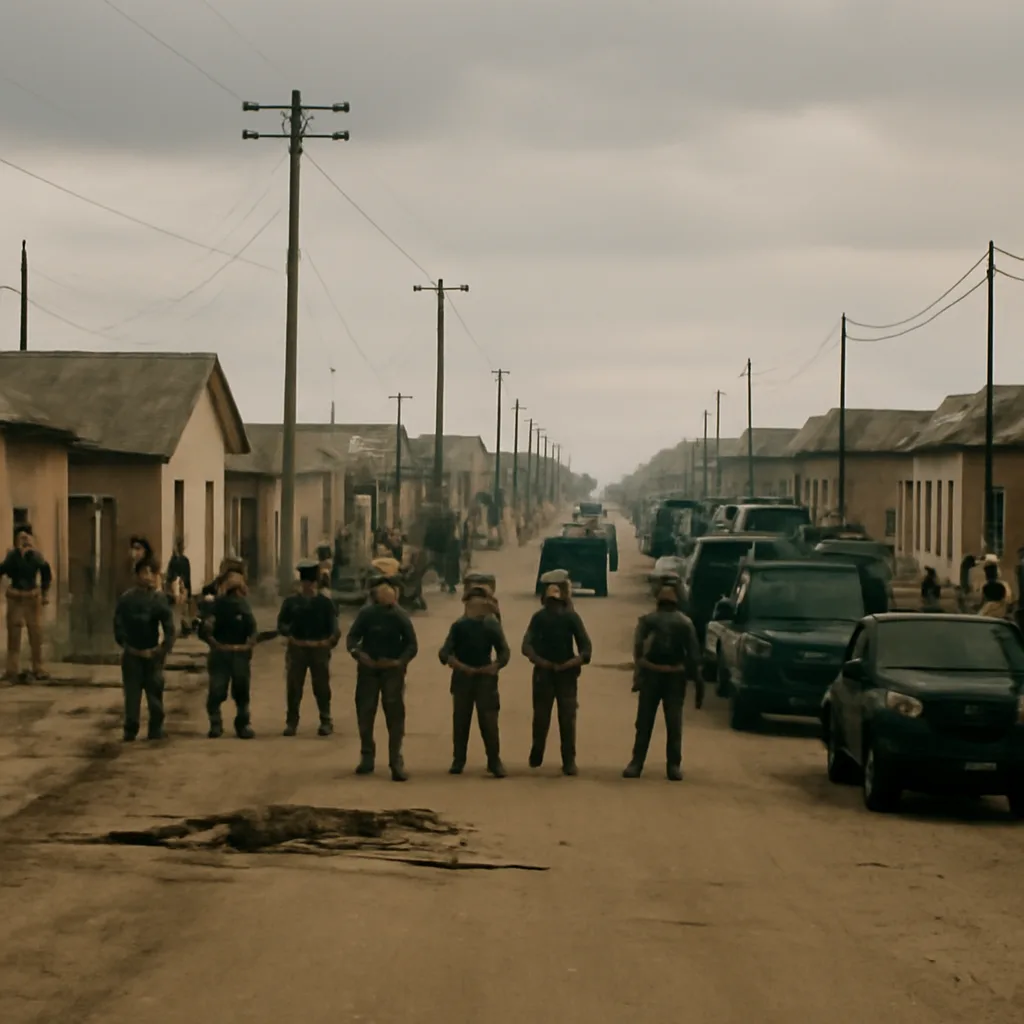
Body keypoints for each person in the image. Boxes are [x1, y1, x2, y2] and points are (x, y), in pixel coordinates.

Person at [622, 572, 703, 781]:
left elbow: (638, 652)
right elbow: (694, 656)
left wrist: (639, 675)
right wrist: (698, 683)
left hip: (653, 676)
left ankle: (637, 762)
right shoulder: (685, 623)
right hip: (674, 677)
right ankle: (673, 765)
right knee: (673, 723)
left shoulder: (649, 621)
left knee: (644, 722)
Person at [346, 573, 419, 781]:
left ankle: (395, 760)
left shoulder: (400, 616)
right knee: (365, 713)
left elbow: (412, 645)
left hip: (392, 672)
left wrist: (398, 662)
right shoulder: (366, 614)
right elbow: (352, 638)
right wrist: (359, 655)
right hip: (368, 670)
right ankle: (367, 756)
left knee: (394, 716)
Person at [522, 568, 592, 775]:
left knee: (566, 719)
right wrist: (542, 662)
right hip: (546, 673)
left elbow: (586, 649)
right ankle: (538, 750)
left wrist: (569, 664)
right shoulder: (539, 618)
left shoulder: (571, 619)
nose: (553, 607)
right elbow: (526, 646)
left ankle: (568, 759)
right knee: (542, 717)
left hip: (564, 675)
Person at [439, 577, 510, 777]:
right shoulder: (459, 626)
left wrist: (494, 667)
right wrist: (460, 666)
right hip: (463, 679)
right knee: (461, 721)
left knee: (488, 721)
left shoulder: (492, 626)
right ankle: (459, 759)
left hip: (485, 680)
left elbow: (504, 653)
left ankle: (494, 760)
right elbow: (444, 653)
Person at [114, 556, 175, 741]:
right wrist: (125, 645)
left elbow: (169, 628)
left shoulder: (159, 600)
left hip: (153, 654)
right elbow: (118, 625)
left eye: (151, 572)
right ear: (136, 575)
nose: (147, 576)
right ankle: (130, 728)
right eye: (143, 572)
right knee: (132, 695)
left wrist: (161, 650)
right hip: (132, 654)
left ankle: (156, 728)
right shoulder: (126, 600)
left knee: (155, 693)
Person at [277, 560, 340, 736]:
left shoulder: (325, 603)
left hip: (319, 649)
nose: (308, 586)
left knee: (321, 686)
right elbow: (281, 623)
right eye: (306, 583)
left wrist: (329, 642)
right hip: (297, 648)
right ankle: (291, 722)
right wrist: (289, 633)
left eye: (311, 583)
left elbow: (334, 628)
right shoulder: (291, 603)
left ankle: (326, 720)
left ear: (316, 584)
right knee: (294, 686)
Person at [199, 566, 257, 739]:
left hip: (239, 655)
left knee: (241, 691)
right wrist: (214, 643)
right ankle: (215, 723)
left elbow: (252, 629)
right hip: (220, 655)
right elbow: (205, 630)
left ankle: (243, 724)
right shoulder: (216, 606)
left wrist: (249, 644)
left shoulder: (244, 607)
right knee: (217, 690)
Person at [1, 524, 52, 682]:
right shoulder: (12, 557)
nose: (24, 541)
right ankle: (12, 669)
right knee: (14, 634)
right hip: (16, 597)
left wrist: (44, 593)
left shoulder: (36, 556)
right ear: (16, 541)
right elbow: (1, 570)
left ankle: (38, 668)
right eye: (21, 538)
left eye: (26, 538)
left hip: (31, 598)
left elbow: (46, 573)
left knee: (35, 633)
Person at [165, 539, 193, 637]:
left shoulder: (174, 560)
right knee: (182, 608)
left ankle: (181, 627)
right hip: (182, 586)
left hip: (176, 585)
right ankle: (184, 627)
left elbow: (170, 574)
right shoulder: (184, 560)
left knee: (178, 608)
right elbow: (188, 576)